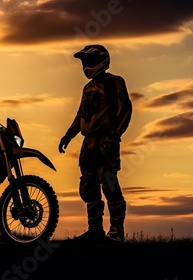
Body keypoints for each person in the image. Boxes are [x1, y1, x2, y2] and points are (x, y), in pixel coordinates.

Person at [58, 44, 132, 242]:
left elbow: (125, 108)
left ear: (101, 61)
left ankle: (116, 233)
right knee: (88, 186)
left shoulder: (114, 82)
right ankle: (95, 230)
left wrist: (115, 134)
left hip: (106, 140)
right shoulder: (87, 88)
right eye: (84, 62)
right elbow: (80, 114)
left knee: (109, 183)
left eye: (88, 62)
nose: (85, 66)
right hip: (88, 142)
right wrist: (68, 135)